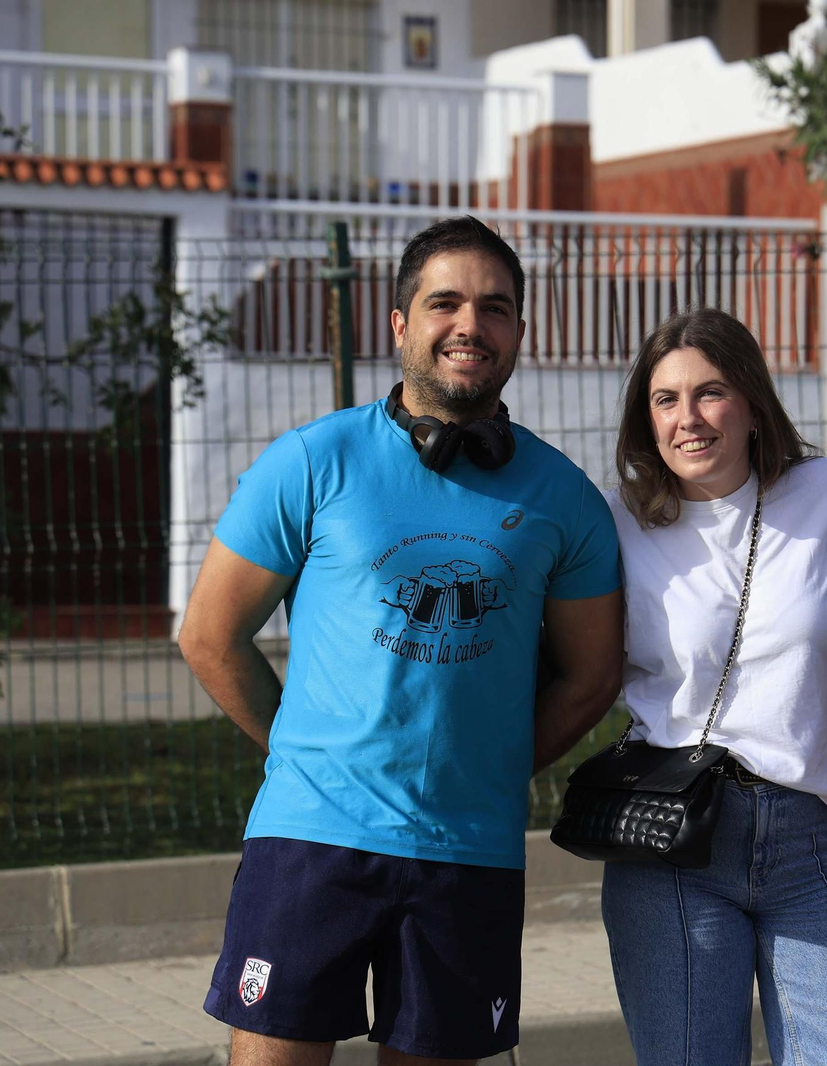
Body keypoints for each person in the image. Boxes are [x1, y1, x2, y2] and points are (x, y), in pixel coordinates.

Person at [179, 216, 624, 1066]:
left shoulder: (567, 500)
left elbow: (592, 675)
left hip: (471, 852)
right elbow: (209, 636)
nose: (470, 325)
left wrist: (489, 761)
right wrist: (305, 752)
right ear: (400, 324)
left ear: (520, 333)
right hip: (312, 840)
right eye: (444, 302)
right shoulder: (313, 460)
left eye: (495, 308)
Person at [600, 307, 827, 1066]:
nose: (688, 419)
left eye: (709, 393)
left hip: (817, 840)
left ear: (750, 400)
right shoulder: (615, 525)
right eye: (665, 400)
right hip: (668, 842)